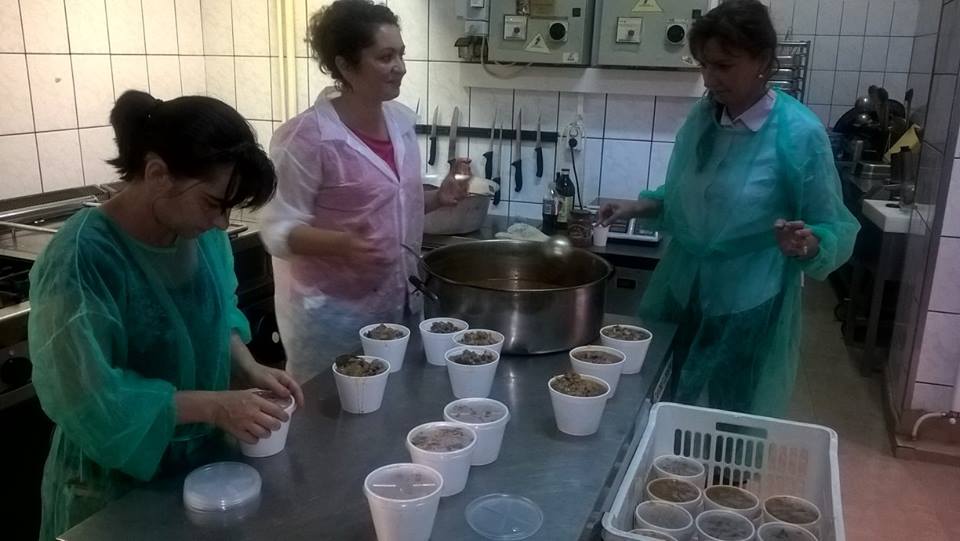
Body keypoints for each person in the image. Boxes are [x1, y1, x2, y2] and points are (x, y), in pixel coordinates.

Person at [29, 90, 304, 540]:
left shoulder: (201, 236)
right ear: (157, 173)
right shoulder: (81, 259)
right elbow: (90, 399)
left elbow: (217, 318)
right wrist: (214, 405)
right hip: (112, 484)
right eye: (213, 203)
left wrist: (247, 367)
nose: (222, 222)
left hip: (201, 468)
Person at [600, 0, 859, 417]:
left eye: (723, 66)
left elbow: (831, 225)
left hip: (748, 299)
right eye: (703, 65)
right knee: (662, 396)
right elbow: (683, 194)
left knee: (732, 413)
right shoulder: (703, 119)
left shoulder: (798, 133)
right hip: (682, 285)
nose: (709, 79)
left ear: (764, 62)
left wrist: (806, 244)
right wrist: (635, 207)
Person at [261, 0, 470, 383]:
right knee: (333, 413)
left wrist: (438, 198)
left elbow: (392, 206)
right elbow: (276, 230)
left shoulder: (401, 124)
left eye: (401, 54)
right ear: (345, 66)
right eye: (385, 57)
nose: (400, 67)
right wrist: (341, 243)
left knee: (394, 406)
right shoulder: (306, 138)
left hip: (398, 305)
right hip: (332, 317)